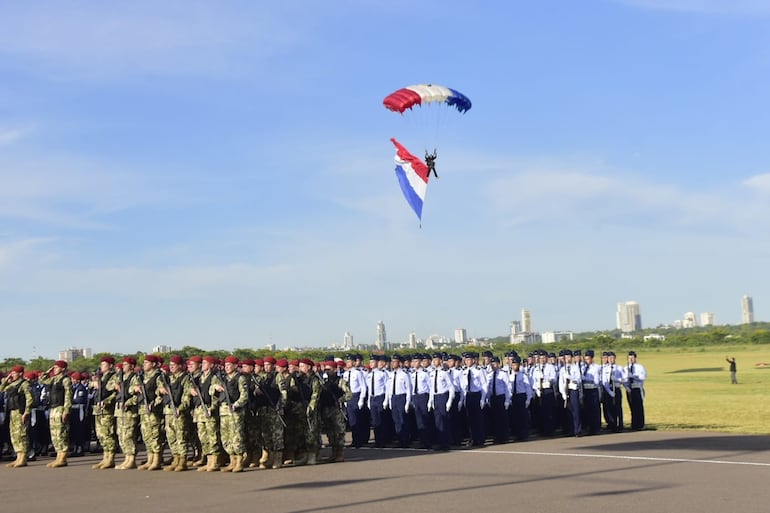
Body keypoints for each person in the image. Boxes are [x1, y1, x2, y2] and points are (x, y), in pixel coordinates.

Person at [39, 361, 72, 468]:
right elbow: (42, 380)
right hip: (53, 408)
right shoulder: (53, 379)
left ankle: (63, 457)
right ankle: (58, 456)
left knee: (61, 433)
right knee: (54, 434)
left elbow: (68, 395)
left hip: (60, 407)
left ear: (62, 369)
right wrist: (47, 371)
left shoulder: (65, 380)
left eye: (57, 367)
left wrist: (66, 410)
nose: (54, 369)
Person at [0, 365, 34, 467]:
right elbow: (1, 389)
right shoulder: (13, 384)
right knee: (14, 435)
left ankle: (23, 458)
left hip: (20, 412)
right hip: (12, 412)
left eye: (14, 373)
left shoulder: (24, 384)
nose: (13, 375)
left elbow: (30, 399)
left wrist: (26, 412)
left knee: (21, 435)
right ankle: (18, 457)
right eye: (12, 373)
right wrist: (7, 379)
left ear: (20, 374)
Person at [625, 351, 646, 430]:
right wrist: (627, 387)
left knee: (639, 407)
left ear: (635, 358)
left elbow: (642, 377)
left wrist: (633, 376)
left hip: (637, 387)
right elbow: (624, 380)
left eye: (632, 358)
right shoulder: (626, 368)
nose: (630, 359)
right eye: (629, 358)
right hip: (629, 389)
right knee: (632, 407)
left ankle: (640, 424)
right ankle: (634, 424)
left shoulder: (640, 367)